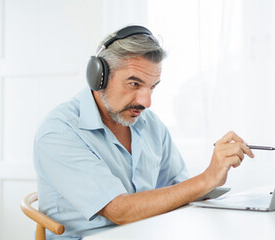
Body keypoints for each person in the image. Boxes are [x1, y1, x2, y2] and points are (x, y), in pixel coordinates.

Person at [32, 25, 254, 239]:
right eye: (134, 84)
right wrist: (207, 178)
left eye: (152, 86)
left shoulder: (150, 124)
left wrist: (211, 186)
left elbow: (179, 188)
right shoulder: (59, 132)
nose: (146, 101)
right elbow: (120, 211)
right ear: (98, 77)